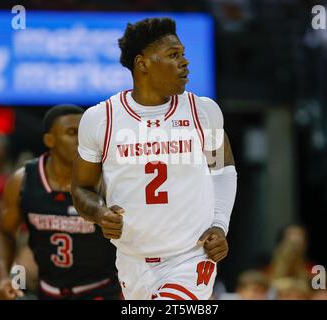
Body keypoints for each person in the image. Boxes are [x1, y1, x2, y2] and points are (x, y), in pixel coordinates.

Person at [72, 17, 237, 300]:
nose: (185, 62)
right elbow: (81, 188)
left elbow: (221, 170)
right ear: (143, 63)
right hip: (131, 260)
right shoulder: (102, 119)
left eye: (184, 54)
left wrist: (220, 225)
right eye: (174, 55)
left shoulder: (203, 112)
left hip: (190, 256)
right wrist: (99, 214)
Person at [0, 106, 120, 300]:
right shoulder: (23, 180)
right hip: (48, 291)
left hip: (100, 290)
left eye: (83, 133)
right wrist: (4, 279)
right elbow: (5, 234)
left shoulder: (105, 179)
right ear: (49, 140)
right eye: (71, 133)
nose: (80, 139)